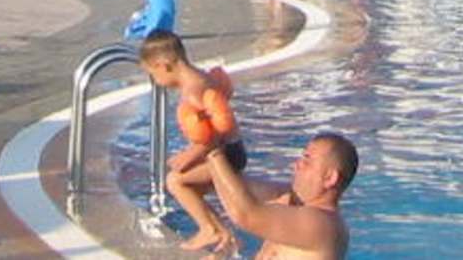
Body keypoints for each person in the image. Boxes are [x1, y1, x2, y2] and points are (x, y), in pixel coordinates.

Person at [139, 32, 247, 254]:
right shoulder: (201, 78)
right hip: (229, 150)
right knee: (187, 186)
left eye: (153, 74)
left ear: (164, 66)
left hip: (226, 155)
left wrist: (188, 157)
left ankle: (210, 229)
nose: (155, 81)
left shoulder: (194, 91)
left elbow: (214, 136)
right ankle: (224, 237)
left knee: (175, 181)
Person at [204, 130, 356, 260]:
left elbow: (246, 214)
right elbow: (238, 187)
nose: (296, 165)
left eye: (307, 160)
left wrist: (213, 151)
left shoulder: (324, 226)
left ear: (330, 178)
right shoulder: (291, 201)